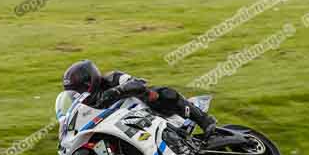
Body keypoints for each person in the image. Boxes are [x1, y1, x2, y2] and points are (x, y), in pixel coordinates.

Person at [62, 60, 217, 139]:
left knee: (161, 94)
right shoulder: (84, 105)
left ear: (90, 81)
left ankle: (204, 120)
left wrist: (115, 92)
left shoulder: (113, 78)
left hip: (147, 112)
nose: (78, 94)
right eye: (74, 93)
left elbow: (136, 84)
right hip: (121, 128)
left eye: (80, 89)